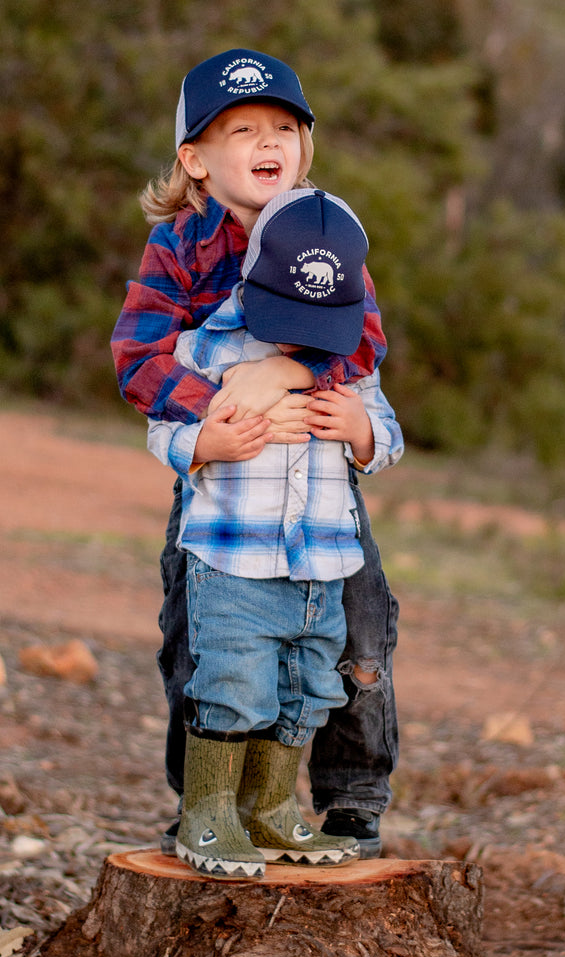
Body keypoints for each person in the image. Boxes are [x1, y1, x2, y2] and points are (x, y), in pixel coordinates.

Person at [111, 49, 399, 860]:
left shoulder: (327, 232)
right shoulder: (178, 246)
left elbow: (364, 340)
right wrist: (215, 414)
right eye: (241, 130)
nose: (267, 140)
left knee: (356, 632)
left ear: (305, 146)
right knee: (199, 636)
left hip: (316, 482)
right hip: (223, 478)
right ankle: (202, 807)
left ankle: (349, 796)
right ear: (195, 160)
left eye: (284, 127)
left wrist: (289, 370)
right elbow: (140, 359)